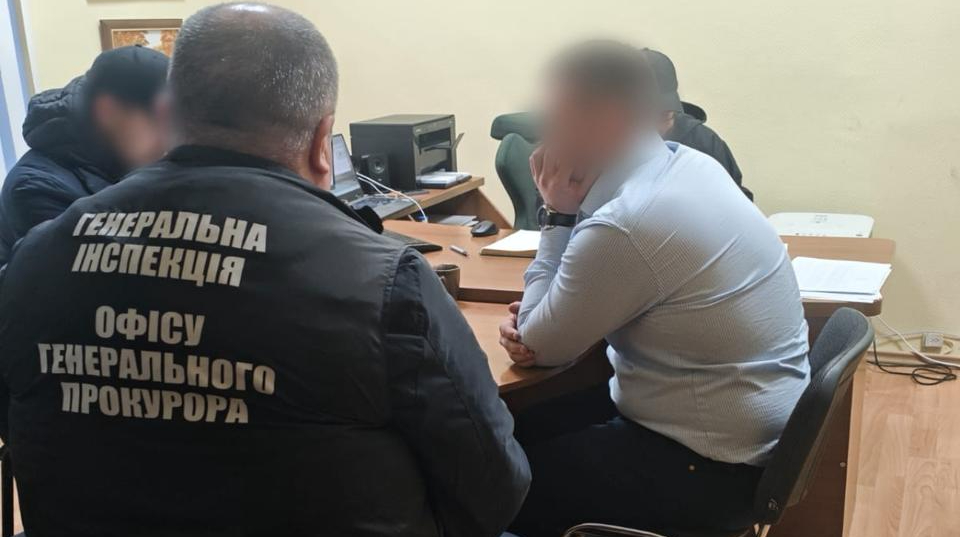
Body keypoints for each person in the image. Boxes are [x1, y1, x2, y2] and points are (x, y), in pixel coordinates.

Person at [0, 3, 529, 536]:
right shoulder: (385, 280)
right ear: (323, 143)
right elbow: (494, 489)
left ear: (165, 117)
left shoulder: (35, 259)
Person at [498, 40, 810, 536]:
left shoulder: (630, 221)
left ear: (608, 117)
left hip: (705, 467)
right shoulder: (685, 164)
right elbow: (552, 324)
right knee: (510, 430)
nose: (545, 132)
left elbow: (539, 347)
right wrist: (550, 314)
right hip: (745, 434)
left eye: (556, 117)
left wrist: (556, 214)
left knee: (488, 481)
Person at [0, 45, 169, 264]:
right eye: (159, 123)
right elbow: (110, 267)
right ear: (108, 111)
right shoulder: (35, 187)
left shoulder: (123, 160)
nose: (168, 139)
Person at [646, 48, 754, 200]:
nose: (653, 129)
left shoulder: (703, 142)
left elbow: (739, 201)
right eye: (642, 117)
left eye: (663, 117)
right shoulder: (613, 145)